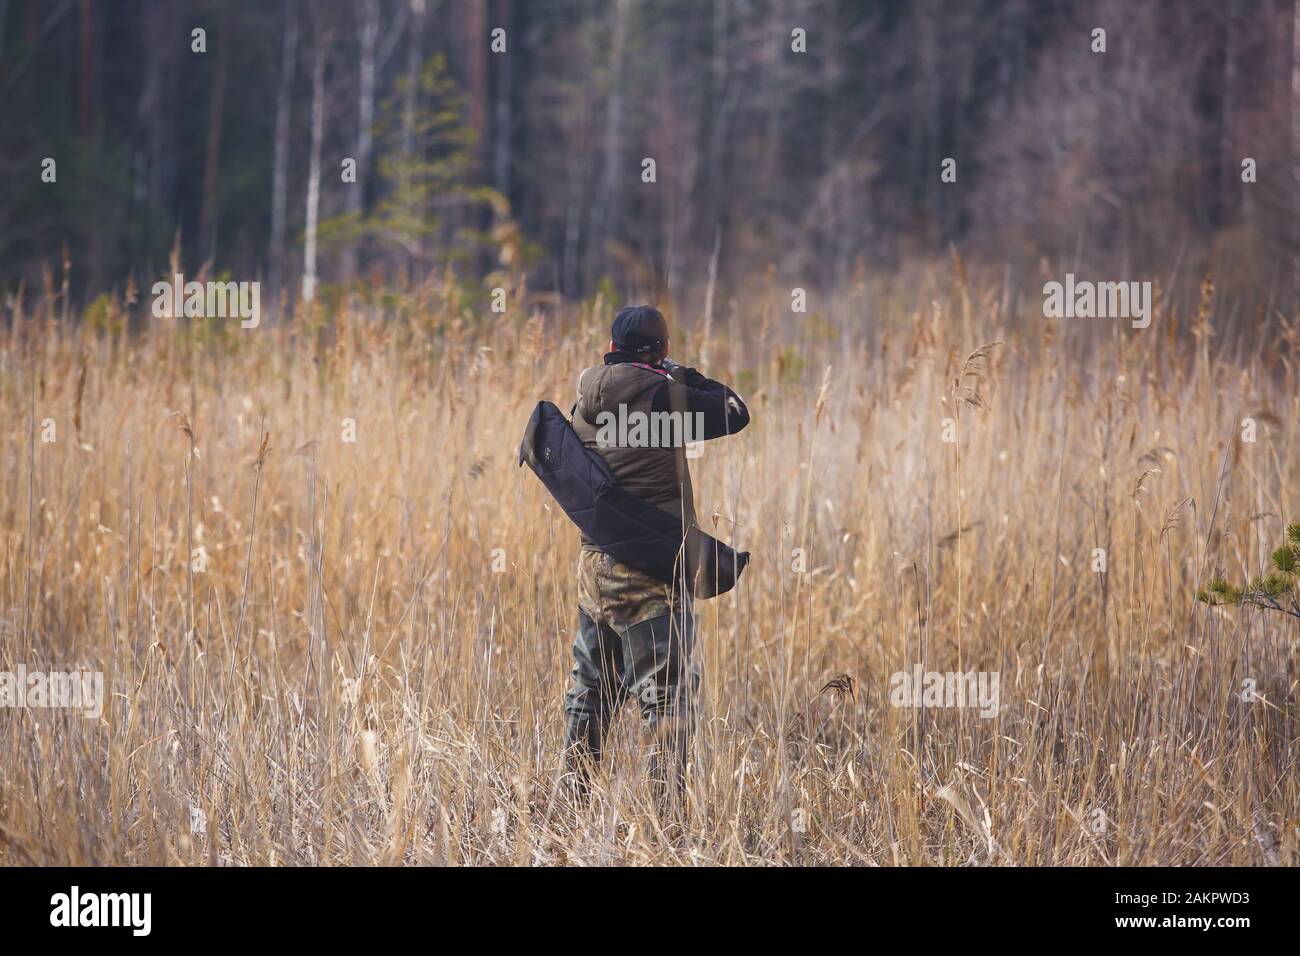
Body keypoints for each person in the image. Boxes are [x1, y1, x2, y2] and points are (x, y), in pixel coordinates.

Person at [562, 304, 750, 809]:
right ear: (661, 350)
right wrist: (680, 373)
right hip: (651, 575)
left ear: (611, 346)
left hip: (595, 570)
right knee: (667, 702)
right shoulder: (664, 397)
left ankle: (570, 802)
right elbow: (734, 410)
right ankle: (666, 818)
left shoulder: (585, 397)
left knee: (590, 693)